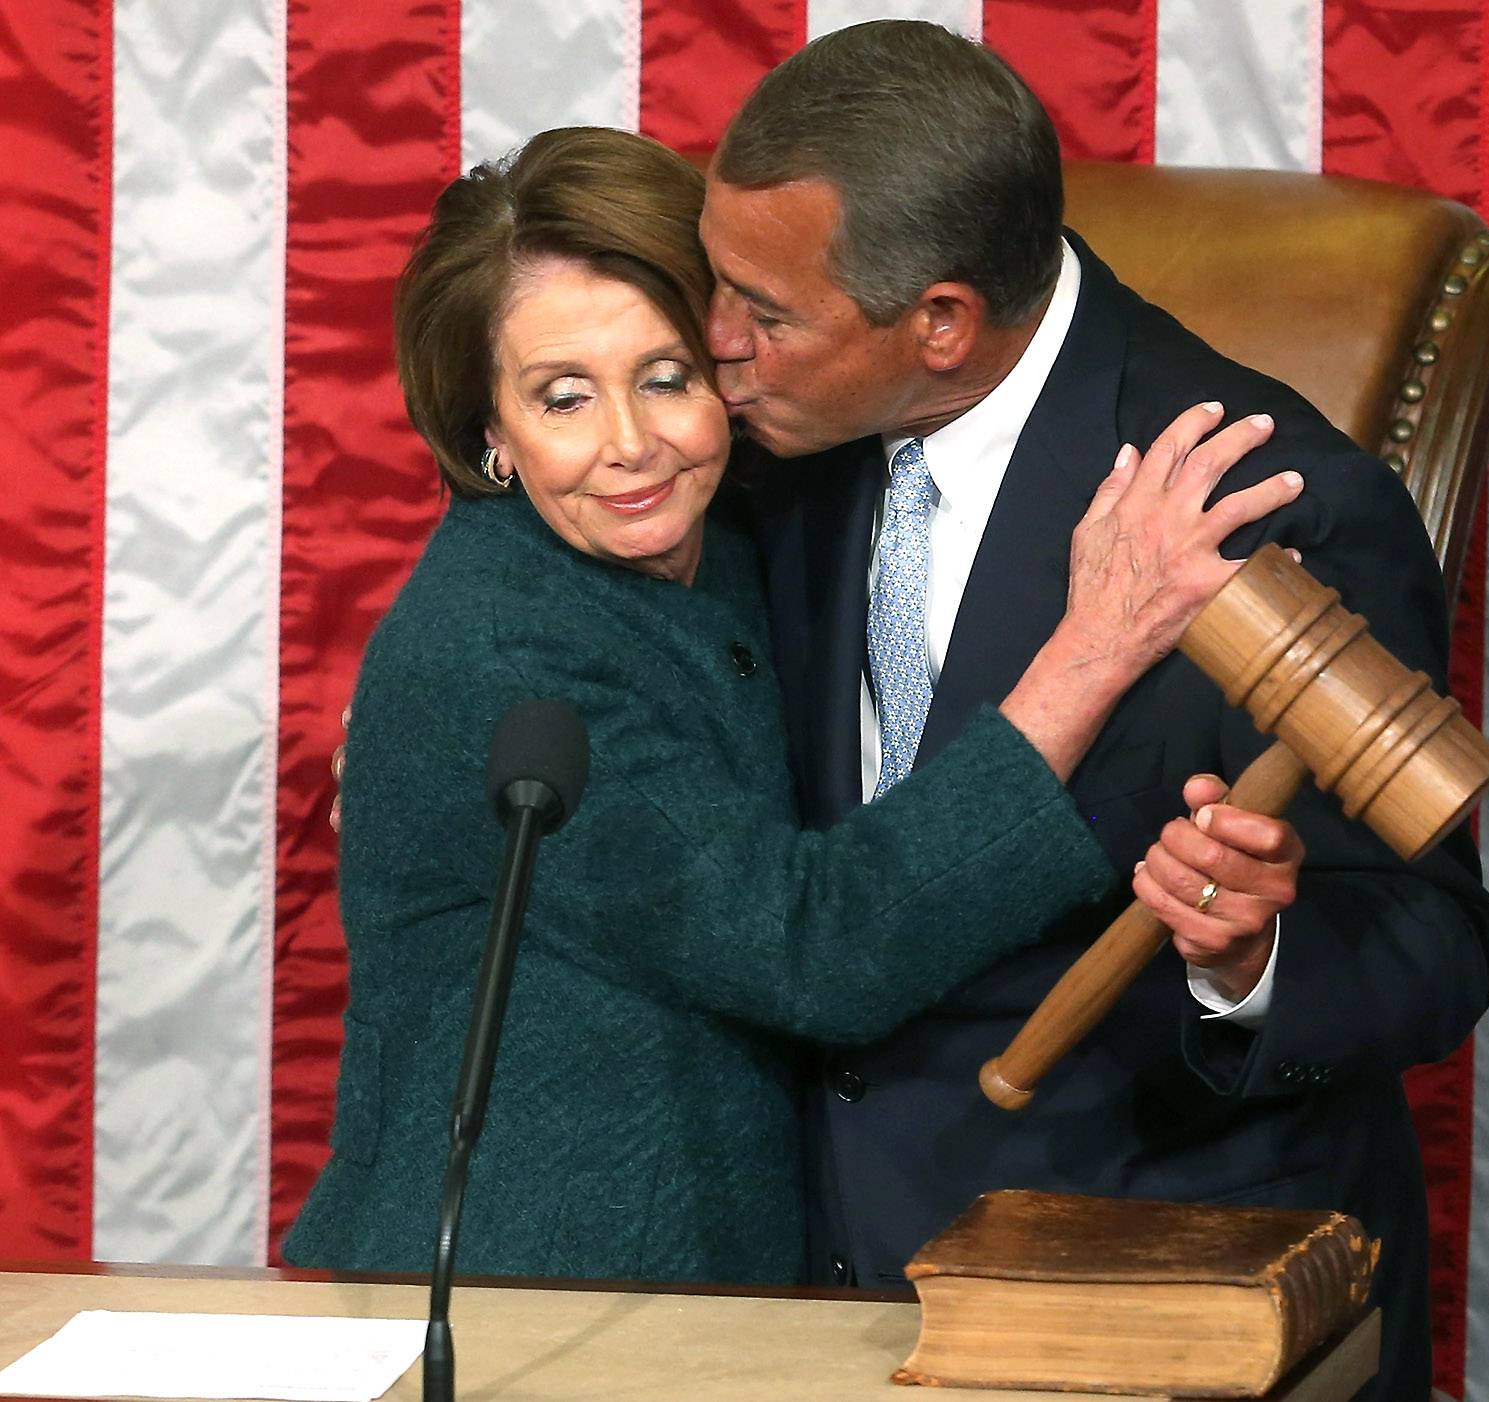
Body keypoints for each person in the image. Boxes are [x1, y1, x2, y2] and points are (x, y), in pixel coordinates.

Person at [284, 126, 1296, 1282]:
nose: (630, 446)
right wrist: (1095, 647)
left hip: (754, 1269)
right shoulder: (501, 644)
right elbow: (817, 946)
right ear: (489, 434)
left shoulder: (738, 534)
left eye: (665, 377)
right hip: (541, 1290)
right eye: (562, 398)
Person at [701, 21, 1489, 1399]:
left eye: (764, 315)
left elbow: (1437, 940)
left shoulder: (1268, 512)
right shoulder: (782, 445)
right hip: (804, 1279)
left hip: (1138, 1296)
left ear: (943, 324)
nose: (718, 347)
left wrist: (1247, 954)